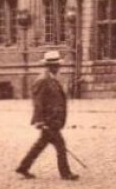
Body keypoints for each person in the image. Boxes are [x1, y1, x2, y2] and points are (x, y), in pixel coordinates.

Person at [17, 51, 77, 180]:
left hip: (53, 120)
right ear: (49, 66)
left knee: (40, 145)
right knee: (60, 146)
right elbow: (38, 102)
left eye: (57, 65)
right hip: (48, 121)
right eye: (55, 65)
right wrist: (40, 121)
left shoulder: (52, 79)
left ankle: (23, 167)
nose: (57, 68)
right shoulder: (43, 80)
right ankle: (65, 173)